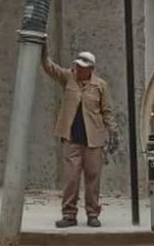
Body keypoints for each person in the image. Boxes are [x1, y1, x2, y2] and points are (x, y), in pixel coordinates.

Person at [40, 44, 116, 228]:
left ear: (91, 68)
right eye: (77, 66)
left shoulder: (100, 85)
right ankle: (69, 214)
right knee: (71, 178)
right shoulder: (69, 78)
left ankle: (92, 214)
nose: (79, 69)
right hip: (72, 138)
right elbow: (50, 68)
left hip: (93, 139)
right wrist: (43, 50)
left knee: (92, 178)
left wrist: (112, 131)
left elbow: (106, 111)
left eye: (83, 67)